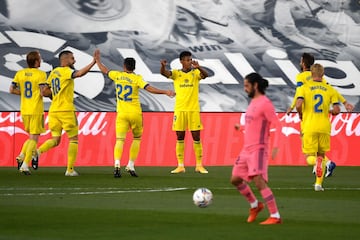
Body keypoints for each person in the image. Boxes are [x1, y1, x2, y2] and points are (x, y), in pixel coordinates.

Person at [94, 49, 175, 178]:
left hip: (121, 114)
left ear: (124, 66)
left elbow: (105, 70)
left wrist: (97, 60)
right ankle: (131, 165)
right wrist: (165, 92)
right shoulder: (137, 78)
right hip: (135, 113)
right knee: (137, 138)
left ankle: (116, 165)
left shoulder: (117, 75)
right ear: (134, 67)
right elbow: (149, 89)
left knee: (120, 140)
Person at [287, 52, 353, 177]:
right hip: (323, 119)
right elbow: (333, 91)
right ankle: (319, 172)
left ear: (304, 63)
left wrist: (292, 107)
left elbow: (299, 94)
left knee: (308, 149)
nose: (300, 63)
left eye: (301, 61)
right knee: (320, 150)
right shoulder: (323, 81)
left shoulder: (301, 77)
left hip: (308, 115)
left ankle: (323, 163)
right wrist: (345, 102)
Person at [231, 72, 282, 225]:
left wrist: (276, 147)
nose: (245, 89)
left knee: (259, 181)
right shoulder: (253, 102)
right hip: (246, 149)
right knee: (235, 179)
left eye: (247, 86)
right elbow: (255, 123)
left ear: (255, 85)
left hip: (258, 149)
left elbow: (277, 125)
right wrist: (242, 127)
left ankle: (275, 215)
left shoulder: (265, 103)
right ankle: (255, 205)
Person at [35, 50, 96, 176]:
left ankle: (38, 151)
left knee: (55, 140)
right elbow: (79, 74)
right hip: (66, 110)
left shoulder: (53, 72)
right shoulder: (67, 71)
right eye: (72, 58)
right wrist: (93, 62)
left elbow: (44, 92)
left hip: (54, 111)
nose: (74, 61)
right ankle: (70, 169)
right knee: (73, 140)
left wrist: (55, 96)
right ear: (65, 59)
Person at [160, 51, 209, 174]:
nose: (189, 62)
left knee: (196, 137)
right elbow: (164, 73)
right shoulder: (176, 73)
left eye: (190, 59)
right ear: (181, 61)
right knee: (180, 137)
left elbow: (206, 75)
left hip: (193, 110)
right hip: (180, 110)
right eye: (187, 60)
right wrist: (163, 66)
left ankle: (199, 165)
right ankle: (180, 165)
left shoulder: (196, 73)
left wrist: (199, 67)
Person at [296, 63, 341, 191]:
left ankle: (317, 163)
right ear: (323, 74)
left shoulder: (304, 87)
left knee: (309, 157)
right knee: (321, 154)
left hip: (309, 125)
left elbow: (298, 104)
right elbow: (337, 109)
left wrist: (301, 115)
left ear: (311, 74)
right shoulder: (330, 89)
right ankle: (318, 184)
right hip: (324, 126)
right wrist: (330, 111)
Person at [9, 51, 47, 175]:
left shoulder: (20, 73)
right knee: (34, 139)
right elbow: (42, 92)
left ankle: (20, 156)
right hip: (36, 109)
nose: (40, 61)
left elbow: (11, 90)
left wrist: (24, 94)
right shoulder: (41, 74)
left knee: (31, 137)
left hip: (24, 109)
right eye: (39, 59)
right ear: (36, 61)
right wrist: (51, 93)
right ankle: (25, 164)